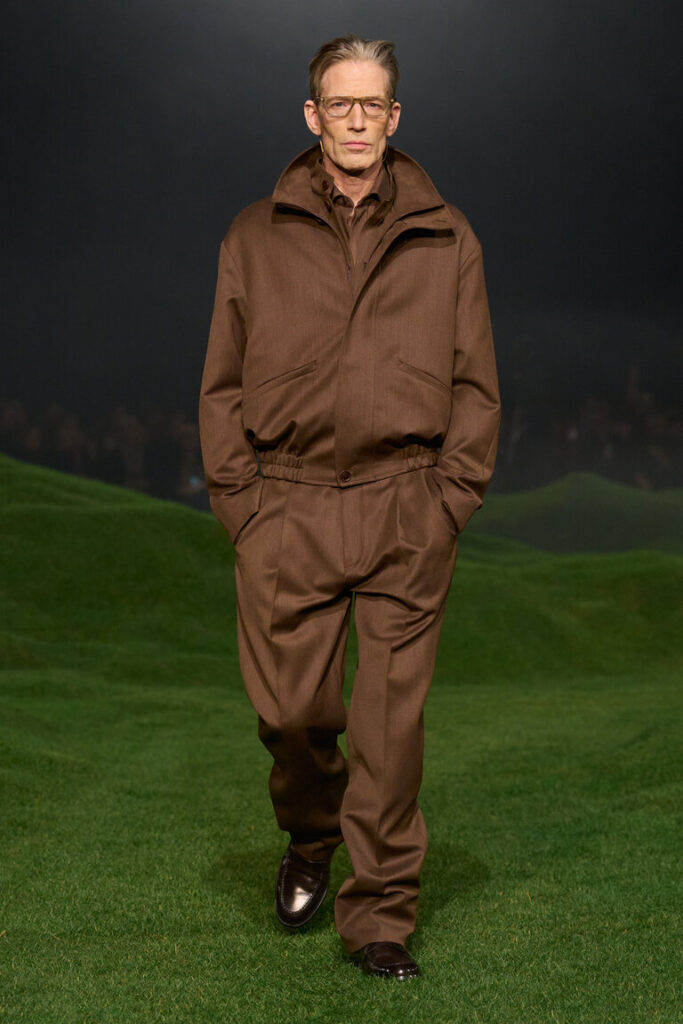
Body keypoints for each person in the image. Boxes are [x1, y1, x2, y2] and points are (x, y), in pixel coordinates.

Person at [199, 34, 500, 980]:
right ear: (313, 115)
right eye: (341, 104)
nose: (358, 120)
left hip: (405, 505)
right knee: (293, 717)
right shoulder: (254, 234)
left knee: (388, 730)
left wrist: (447, 503)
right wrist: (244, 507)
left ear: (394, 116)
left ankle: (379, 918)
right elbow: (220, 385)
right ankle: (310, 831)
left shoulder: (447, 236)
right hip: (285, 507)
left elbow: (476, 386)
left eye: (373, 104)